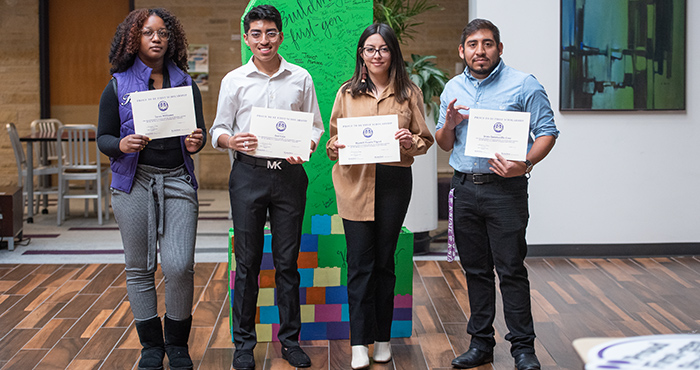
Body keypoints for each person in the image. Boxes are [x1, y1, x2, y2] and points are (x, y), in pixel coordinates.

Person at [435, 19, 559, 370]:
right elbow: (444, 143)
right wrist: (449, 124)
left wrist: (526, 163)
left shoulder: (524, 84)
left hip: (506, 190)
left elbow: (547, 132)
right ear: (462, 51)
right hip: (464, 188)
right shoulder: (453, 87)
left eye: (487, 44)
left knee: (510, 270)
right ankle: (481, 345)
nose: (480, 51)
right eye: (472, 44)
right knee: (476, 271)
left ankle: (523, 349)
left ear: (499, 48)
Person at [208, 5, 324, 370]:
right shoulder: (233, 80)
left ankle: (290, 341)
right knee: (247, 264)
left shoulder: (301, 78)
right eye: (256, 34)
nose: (264, 40)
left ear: (281, 35)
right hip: (248, 176)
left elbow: (316, 126)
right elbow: (217, 130)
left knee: (288, 264)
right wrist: (232, 142)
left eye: (270, 33)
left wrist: (308, 145)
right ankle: (244, 344)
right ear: (247, 38)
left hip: (289, 177)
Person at [97, 8, 206, 370]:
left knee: (179, 265)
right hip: (134, 182)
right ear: (134, 39)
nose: (156, 38)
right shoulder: (116, 86)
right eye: (148, 32)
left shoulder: (186, 85)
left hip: (177, 178)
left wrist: (195, 142)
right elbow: (104, 137)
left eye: (162, 32)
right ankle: (151, 347)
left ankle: (176, 344)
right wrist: (121, 145)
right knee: (139, 267)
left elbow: (198, 134)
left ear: (170, 38)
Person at [326, 23, 434, 370]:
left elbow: (424, 139)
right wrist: (336, 146)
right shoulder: (346, 93)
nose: (376, 55)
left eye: (383, 49)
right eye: (370, 49)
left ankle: (383, 339)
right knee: (359, 265)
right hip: (354, 183)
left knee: (385, 263)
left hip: (393, 182)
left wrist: (409, 142)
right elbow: (331, 143)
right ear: (362, 54)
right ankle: (359, 342)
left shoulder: (408, 93)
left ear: (393, 53)